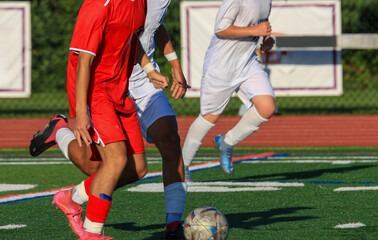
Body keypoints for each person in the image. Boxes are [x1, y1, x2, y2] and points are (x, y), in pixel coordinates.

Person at [30, 0, 189, 239]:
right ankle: (91, 233)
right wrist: (82, 112)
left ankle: (71, 197)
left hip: (120, 87)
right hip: (95, 90)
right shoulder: (98, 5)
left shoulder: (138, 3)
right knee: (110, 161)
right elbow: (83, 62)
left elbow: (134, 37)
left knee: (137, 168)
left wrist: (151, 70)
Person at [182, 0, 276, 181]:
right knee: (210, 116)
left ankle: (227, 142)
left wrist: (266, 39)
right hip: (221, 65)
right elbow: (221, 28)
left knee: (267, 107)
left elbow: (261, 23)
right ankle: (182, 165)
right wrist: (254, 31)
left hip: (247, 63)